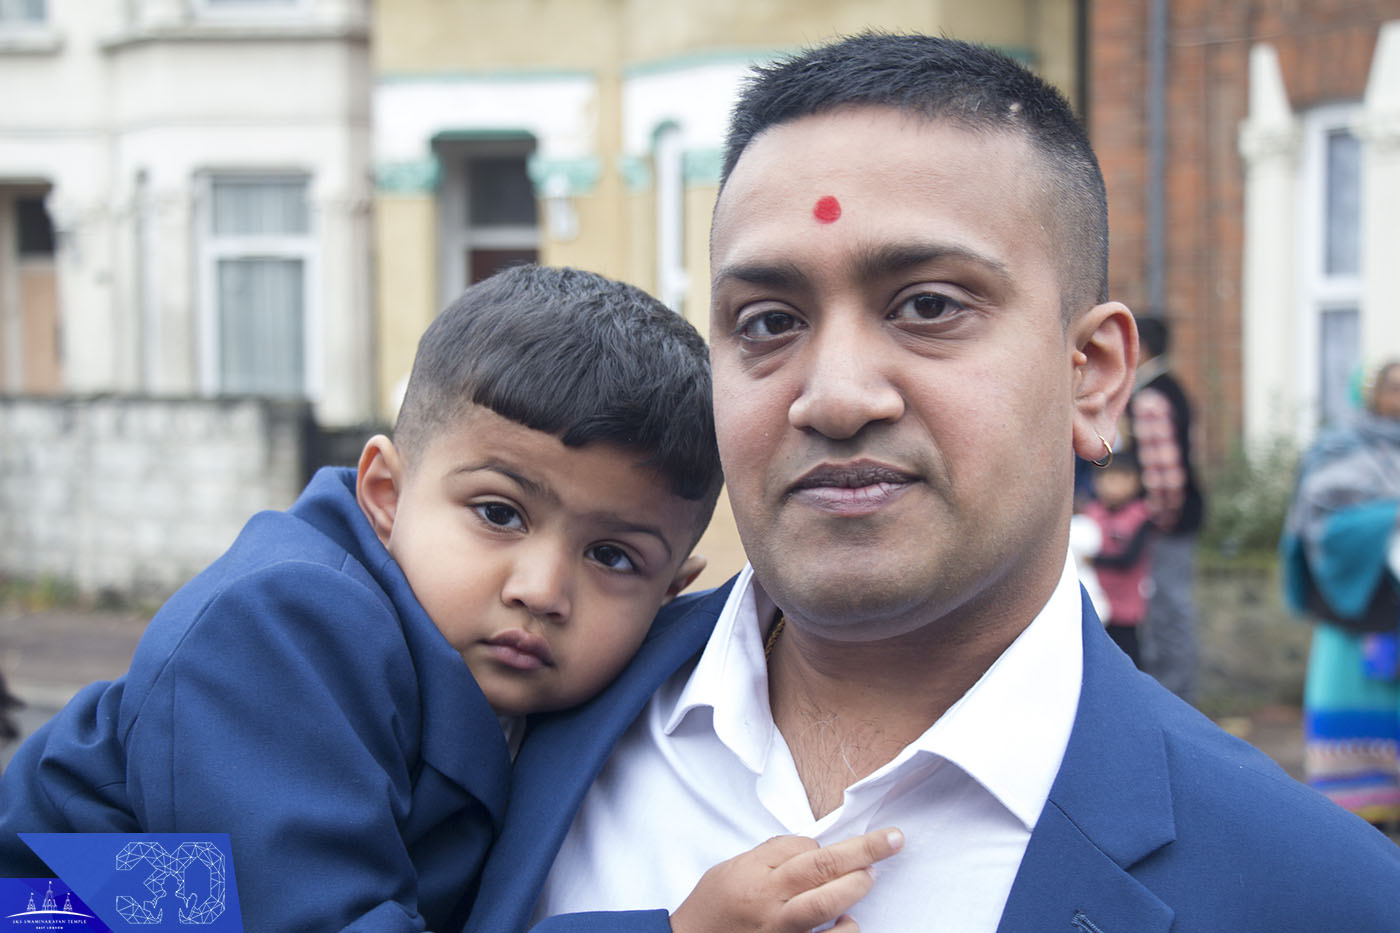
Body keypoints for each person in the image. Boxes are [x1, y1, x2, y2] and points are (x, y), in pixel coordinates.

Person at [466, 34, 1400, 933]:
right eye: (767, 322)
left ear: (1092, 374)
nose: (835, 397)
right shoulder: (507, 716)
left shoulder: (1319, 895)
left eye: (928, 306)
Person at [0, 265, 902, 932]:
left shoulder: (597, 673)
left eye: (613, 557)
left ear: (673, 590)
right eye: (499, 513)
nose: (541, 589)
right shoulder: (282, 625)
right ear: (384, 494)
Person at [1282, 359, 1400, 828]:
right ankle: (1357, 811)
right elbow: (1319, 522)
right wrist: (1387, 520)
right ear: (1370, 393)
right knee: (1352, 700)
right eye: (1393, 387)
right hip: (1353, 608)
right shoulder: (1339, 447)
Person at [1128, 315, 1205, 702]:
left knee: (1166, 608)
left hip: (1165, 522)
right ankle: (1174, 692)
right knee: (1169, 605)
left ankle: (1173, 695)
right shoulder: (1172, 388)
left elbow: (1164, 475)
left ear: (1142, 349)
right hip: (1177, 517)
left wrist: (1157, 521)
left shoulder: (1150, 397)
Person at [1081, 449, 1155, 666]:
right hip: (1095, 604)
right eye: (1105, 478)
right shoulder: (1091, 513)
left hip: (1126, 608)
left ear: (1135, 482)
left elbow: (1129, 559)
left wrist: (1094, 560)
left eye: (1118, 478)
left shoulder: (1141, 517)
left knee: (1128, 658)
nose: (1110, 485)